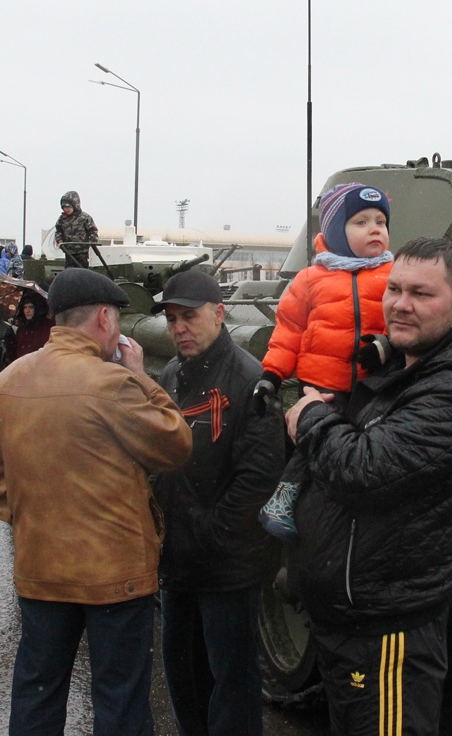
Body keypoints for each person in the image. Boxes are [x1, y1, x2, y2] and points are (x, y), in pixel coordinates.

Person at [284, 238, 452, 735]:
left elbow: (363, 470)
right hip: (352, 616)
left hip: (387, 627)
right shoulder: (407, 368)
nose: (400, 304)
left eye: (421, 293)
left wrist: (312, 419)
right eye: (393, 288)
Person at [0, 268, 192, 735]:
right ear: (102, 319)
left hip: (40, 570)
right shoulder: (112, 384)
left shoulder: (6, 382)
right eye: (115, 317)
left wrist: (39, 523)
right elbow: (176, 443)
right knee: (120, 700)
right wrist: (140, 377)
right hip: (116, 576)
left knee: (37, 693)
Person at [151, 270, 285, 736]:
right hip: (178, 563)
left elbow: (258, 477)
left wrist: (210, 534)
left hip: (225, 565)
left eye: (188, 317)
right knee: (184, 678)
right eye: (171, 319)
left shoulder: (250, 381)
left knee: (232, 682)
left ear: (218, 314)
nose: (179, 328)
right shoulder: (172, 373)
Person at [253, 182, 395, 541]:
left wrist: (386, 346)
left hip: (374, 380)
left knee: (366, 449)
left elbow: (406, 323)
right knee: (314, 439)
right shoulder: (310, 279)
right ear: (335, 231)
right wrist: (271, 375)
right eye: (360, 222)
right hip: (322, 383)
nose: (375, 228)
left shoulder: (394, 276)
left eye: (380, 221)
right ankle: (283, 499)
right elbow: (288, 331)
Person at [53, 191, 99, 269]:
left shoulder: (84, 217)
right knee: (69, 273)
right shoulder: (62, 219)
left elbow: (93, 231)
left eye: (68, 207)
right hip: (69, 252)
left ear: (75, 206)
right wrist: (60, 242)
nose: (66, 209)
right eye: (64, 207)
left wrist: (91, 243)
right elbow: (58, 232)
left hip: (82, 252)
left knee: (83, 272)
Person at [4, 291, 52, 362]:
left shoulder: (48, 326)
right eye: (25, 307)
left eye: (30, 307)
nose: (27, 311)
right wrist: (10, 342)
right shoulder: (22, 329)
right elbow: (15, 358)